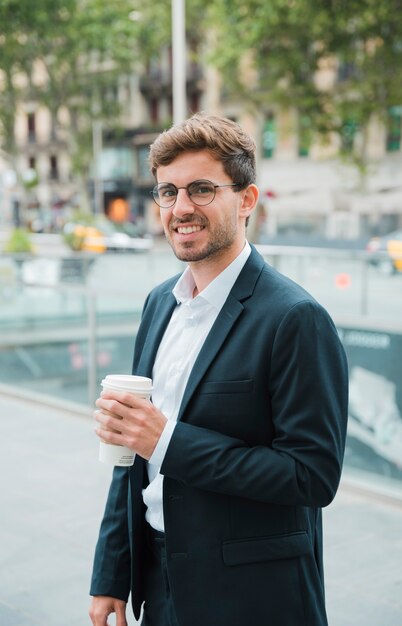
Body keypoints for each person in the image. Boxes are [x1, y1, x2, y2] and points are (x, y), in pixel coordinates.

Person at [89, 112, 348, 626]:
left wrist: (166, 441)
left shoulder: (296, 318)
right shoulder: (158, 304)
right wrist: (110, 574)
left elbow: (313, 477)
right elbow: (130, 460)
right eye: (168, 192)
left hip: (253, 597)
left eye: (202, 189)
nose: (181, 208)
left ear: (247, 200)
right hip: (159, 587)